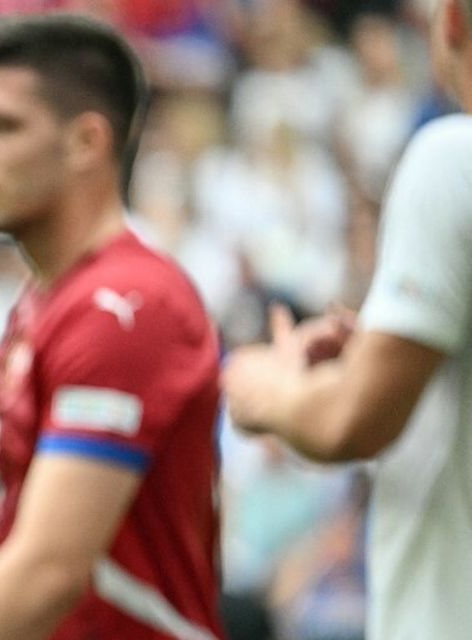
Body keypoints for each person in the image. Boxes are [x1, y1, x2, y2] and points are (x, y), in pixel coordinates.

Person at [0, 14, 223, 640]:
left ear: (86, 142)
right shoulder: (42, 305)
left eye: (0, 125)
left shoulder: (126, 307)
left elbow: (51, 568)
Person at [223, 0, 472, 636]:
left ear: (449, 22)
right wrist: (391, 354)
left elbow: (350, 422)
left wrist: (262, 385)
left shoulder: (451, 157)